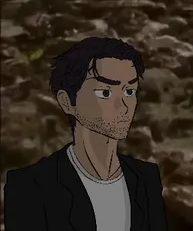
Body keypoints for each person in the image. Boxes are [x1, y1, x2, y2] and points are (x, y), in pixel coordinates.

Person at [3, 36, 168, 230]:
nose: (123, 105)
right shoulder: (29, 186)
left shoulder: (146, 179)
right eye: (105, 93)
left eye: (129, 92)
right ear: (67, 102)